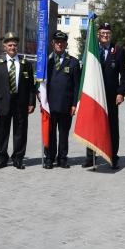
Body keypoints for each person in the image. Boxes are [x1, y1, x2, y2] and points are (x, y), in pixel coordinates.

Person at [0, 32, 36, 169]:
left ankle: (18, 158)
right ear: (4, 47)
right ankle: (2, 157)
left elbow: (31, 86)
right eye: (10, 45)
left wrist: (31, 103)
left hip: (21, 103)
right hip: (2, 103)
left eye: (15, 45)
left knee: (20, 131)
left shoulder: (25, 63)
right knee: (2, 131)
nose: (12, 47)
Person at [84, 22, 125, 169]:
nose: (105, 35)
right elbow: (84, 71)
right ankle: (91, 158)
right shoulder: (92, 49)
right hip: (94, 94)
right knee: (92, 125)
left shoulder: (119, 50)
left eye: (108, 33)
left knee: (112, 127)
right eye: (102, 33)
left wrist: (121, 92)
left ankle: (112, 157)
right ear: (98, 34)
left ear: (111, 35)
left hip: (111, 96)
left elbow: (124, 75)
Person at [44, 30, 81, 169]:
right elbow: (40, 81)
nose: (59, 44)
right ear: (53, 44)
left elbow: (77, 85)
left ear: (66, 44)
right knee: (50, 132)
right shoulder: (46, 61)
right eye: (57, 42)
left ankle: (62, 158)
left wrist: (74, 104)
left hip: (66, 104)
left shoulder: (73, 62)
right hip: (50, 104)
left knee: (64, 133)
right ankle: (49, 158)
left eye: (62, 42)